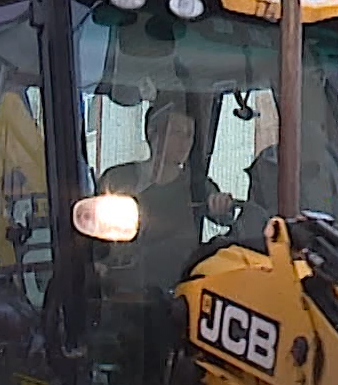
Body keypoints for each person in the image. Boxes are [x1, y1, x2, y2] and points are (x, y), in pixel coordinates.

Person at [96, 97, 236, 291]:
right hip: (120, 289)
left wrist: (222, 209)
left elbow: (224, 216)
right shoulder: (117, 179)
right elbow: (93, 237)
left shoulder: (198, 187)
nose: (185, 142)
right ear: (153, 133)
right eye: (177, 133)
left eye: (189, 134)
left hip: (177, 291)